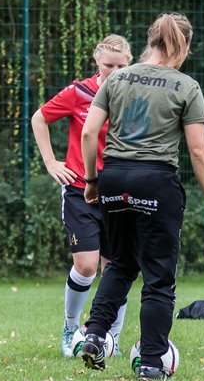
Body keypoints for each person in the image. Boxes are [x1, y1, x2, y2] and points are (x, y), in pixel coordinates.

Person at [78, 12, 204, 379]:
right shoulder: (186, 86)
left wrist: (93, 180)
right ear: (184, 45)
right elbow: (198, 151)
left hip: (113, 178)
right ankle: (152, 362)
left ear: (150, 40)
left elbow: (88, 132)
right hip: (156, 181)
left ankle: (94, 336)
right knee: (159, 277)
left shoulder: (117, 78)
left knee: (121, 264)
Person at [31, 34, 133, 356]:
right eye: (108, 66)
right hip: (80, 190)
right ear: (96, 63)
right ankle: (70, 327)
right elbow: (40, 118)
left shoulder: (135, 95)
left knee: (115, 266)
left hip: (120, 191)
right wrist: (50, 162)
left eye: (121, 66)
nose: (114, 72)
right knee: (87, 266)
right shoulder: (80, 92)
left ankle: (111, 337)